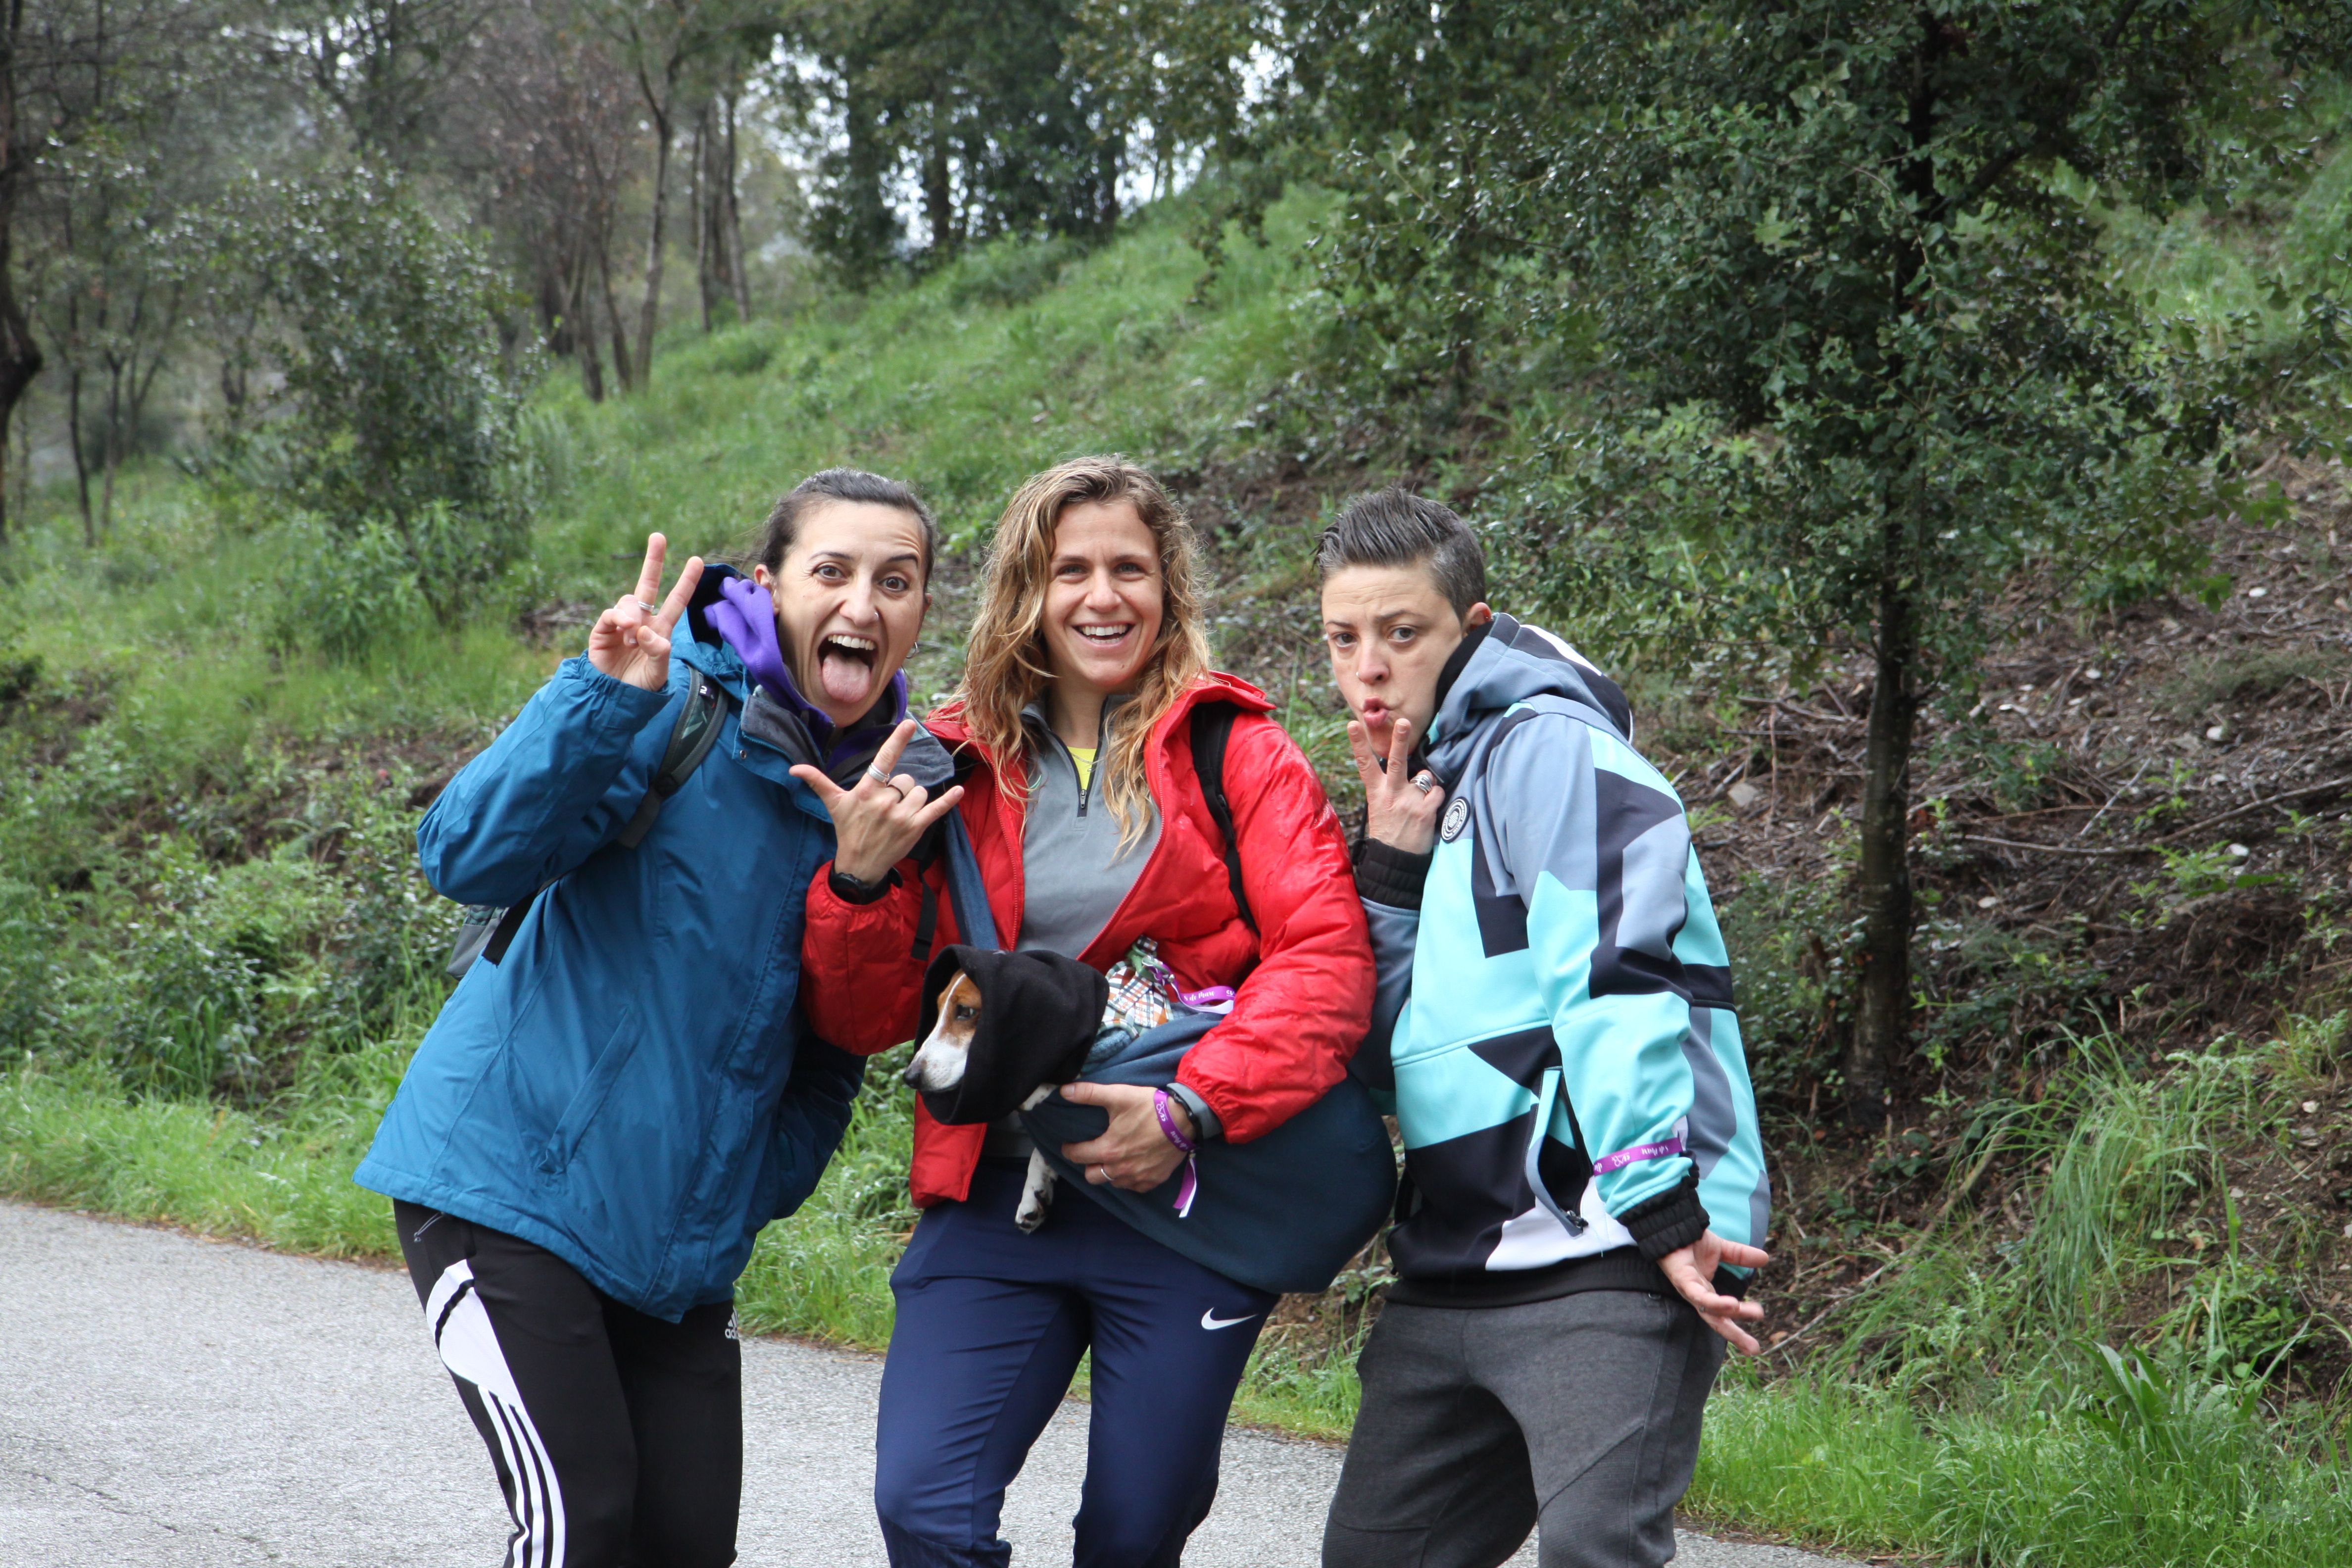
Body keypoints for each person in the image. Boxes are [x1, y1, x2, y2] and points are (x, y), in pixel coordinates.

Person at [353, 469, 966, 1568]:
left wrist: (865, 882)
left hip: (681, 1248)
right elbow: (462, 853)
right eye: (831, 571)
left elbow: (847, 1041)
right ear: (773, 583)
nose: (862, 605)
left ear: (923, 611)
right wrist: (598, 702)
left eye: (897, 580)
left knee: (683, 1545)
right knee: (580, 1525)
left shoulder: (900, 792)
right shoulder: (668, 693)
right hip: (509, 1191)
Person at [795, 455, 1376, 1568]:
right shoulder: (945, 763)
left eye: (1130, 569)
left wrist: (1188, 1112)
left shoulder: (1237, 752)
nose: (1103, 596)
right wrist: (859, 884)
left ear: (1170, 591)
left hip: (1186, 1199)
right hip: (993, 1192)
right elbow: (866, 1017)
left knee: (1134, 1531)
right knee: (924, 1507)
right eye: (1072, 570)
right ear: (1027, 589)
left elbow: (1327, 966)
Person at [1312, 489, 1772, 1568]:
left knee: (1594, 1552)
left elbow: (1615, 970)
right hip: (1455, 1259)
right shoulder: (1429, 790)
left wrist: (1658, 1197)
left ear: (1472, 630)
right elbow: (1387, 1062)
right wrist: (1386, 875)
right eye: (1344, 638)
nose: (1369, 666)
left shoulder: (1551, 748)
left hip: (1608, 1245)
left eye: (1402, 632)